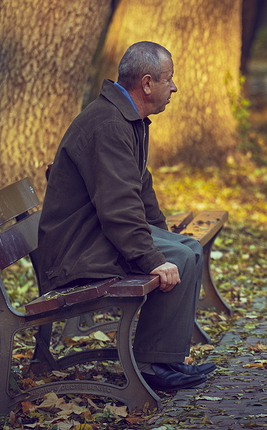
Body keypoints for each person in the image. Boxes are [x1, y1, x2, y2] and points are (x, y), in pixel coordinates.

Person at [38, 41, 216, 392]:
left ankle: (166, 359)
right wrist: (153, 257)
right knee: (177, 257)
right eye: (170, 79)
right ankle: (151, 366)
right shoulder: (108, 125)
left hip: (94, 235)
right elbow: (117, 206)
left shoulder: (127, 118)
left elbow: (140, 189)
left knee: (188, 249)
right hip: (76, 251)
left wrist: (164, 235)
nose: (174, 87)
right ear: (147, 83)